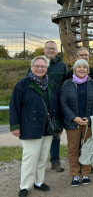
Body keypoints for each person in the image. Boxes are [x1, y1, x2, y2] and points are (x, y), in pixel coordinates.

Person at [10, 56, 62, 197]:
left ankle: (39, 181)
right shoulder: (23, 84)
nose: (40, 69)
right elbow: (14, 106)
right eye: (37, 66)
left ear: (47, 68)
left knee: (43, 157)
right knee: (30, 157)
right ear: (32, 67)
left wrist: (59, 127)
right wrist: (15, 126)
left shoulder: (52, 85)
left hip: (47, 127)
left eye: (43, 66)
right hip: (29, 126)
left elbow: (57, 106)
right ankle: (25, 185)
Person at [61, 59, 93, 187]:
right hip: (73, 122)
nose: (81, 69)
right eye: (79, 67)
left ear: (87, 70)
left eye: (84, 67)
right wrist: (74, 118)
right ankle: (75, 174)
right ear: (74, 69)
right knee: (73, 149)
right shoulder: (67, 84)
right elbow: (63, 103)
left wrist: (90, 119)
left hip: (89, 122)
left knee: (88, 148)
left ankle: (85, 173)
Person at [27, 41, 67, 172]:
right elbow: (28, 81)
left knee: (54, 132)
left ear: (56, 51)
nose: (51, 51)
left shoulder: (62, 65)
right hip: (38, 103)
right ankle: (38, 161)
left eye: (53, 49)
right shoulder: (38, 64)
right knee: (38, 133)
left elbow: (65, 83)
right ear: (44, 50)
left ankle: (55, 160)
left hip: (54, 103)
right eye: (49, 48)